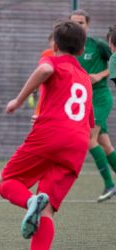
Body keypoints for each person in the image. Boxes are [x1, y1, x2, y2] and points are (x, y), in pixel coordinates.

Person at [0, 21, 92, 250]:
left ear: (55, 44)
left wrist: (18, 101)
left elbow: (45, 70)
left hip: (51, 136)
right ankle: (37, 206)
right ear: (81, 51)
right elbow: (88, 120)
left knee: (6, 182)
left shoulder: (52, 60)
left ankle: (31, 201)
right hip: (78, 144)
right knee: (47, 209)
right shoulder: (85, 77)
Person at [70, 9, 116, 202]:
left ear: (87, 25)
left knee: (89, 138)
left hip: (99, 97)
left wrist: (100, 75)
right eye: (74, 23)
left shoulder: (98, 45)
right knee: (105, 145)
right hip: (83, 101)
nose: (77, 26)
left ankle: (109, 185)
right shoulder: (70, 48)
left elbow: (114, 61)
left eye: (81, 23)